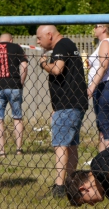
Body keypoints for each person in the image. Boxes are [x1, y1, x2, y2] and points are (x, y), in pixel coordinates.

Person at [37, 25, 88, 198]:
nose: (38, 41)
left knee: (60, 145)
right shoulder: (68, 44)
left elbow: (57, 69)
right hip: (74, 104)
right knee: (71, 146)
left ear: (49, 35)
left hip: (68, 104)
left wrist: (44, 64)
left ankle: (59, 187)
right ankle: (71, 183)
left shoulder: (60, 46)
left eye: (39, 38)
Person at [0, 33, 28, 157]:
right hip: (14, 84)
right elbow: (24, 65)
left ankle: (2, 151)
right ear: (11, 39)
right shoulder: (16, 47)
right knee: (17, 117)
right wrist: (21, 82)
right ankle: (19, 149)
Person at [87, 24, 109, 152]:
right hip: (102, 86)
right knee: (101, 125)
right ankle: (102, 160)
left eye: (96, 26)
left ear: (103, 28)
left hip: (104, 86)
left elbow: (104, 66)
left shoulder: (105, 42)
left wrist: (91, 87)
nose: (94, 29)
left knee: (104, 125)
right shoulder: (103, 43)